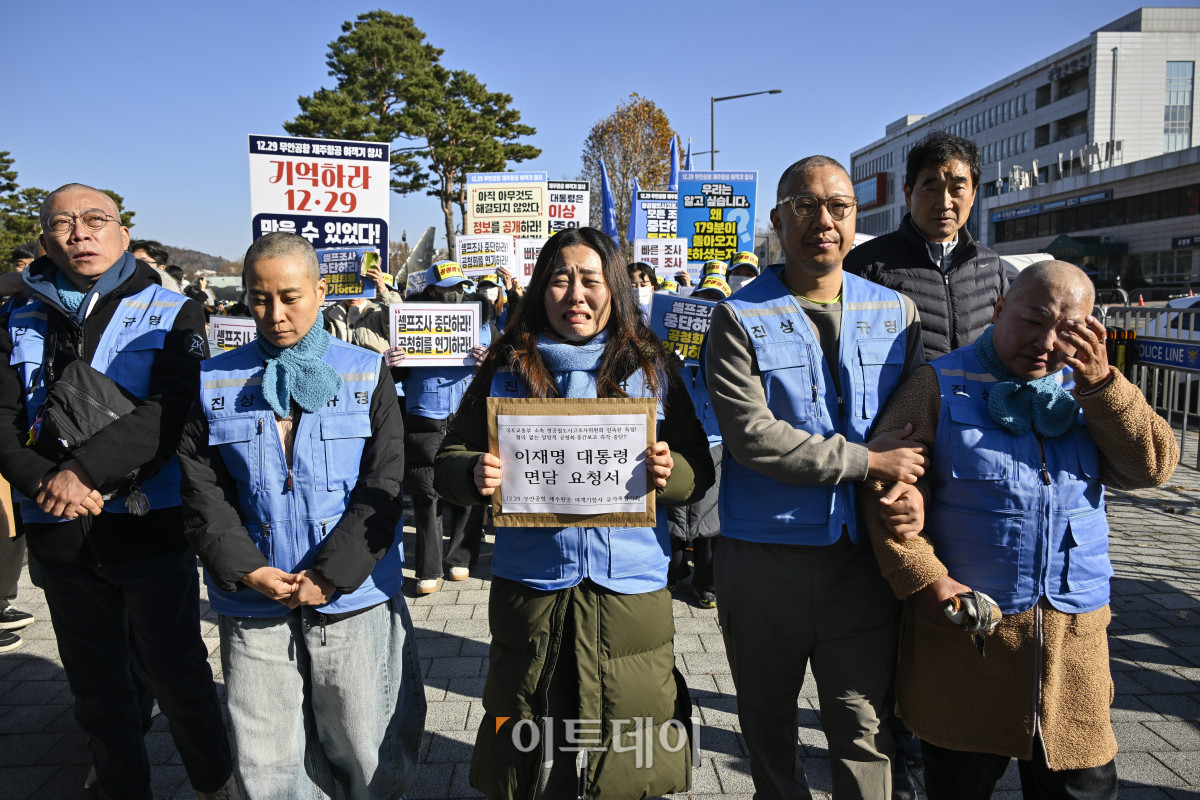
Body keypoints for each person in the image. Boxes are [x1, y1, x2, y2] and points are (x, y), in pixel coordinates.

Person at [861, 261, 1178, 800]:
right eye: (1032, 321)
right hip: (969, 639)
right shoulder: (938, 384)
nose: (1046, 343)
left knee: (1082, 786)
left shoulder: (1091, 389)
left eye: (1068, 330)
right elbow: (881, 491)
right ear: (999, 309)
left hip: (1072, 651)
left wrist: (1102, 385)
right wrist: (930, 581)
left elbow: (1152, 467)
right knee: (959, 784)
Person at [434, 226, 715, 799]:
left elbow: (698, 471)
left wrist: (671, 473)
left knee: (632, 739)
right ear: (541, 289)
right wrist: (472, 473)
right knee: (537, 733)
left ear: (615, 289)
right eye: (561, 280)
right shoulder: (507, 365)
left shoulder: (652, 368)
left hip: (628, 588)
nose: (576, 295)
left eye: (591, 280)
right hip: (532, 586)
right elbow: (447, 459)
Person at [0, 184, 236, 798]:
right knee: (96, 687)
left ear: (122, 234)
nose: (80, 233)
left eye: (95, 220)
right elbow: (1, 420)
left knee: (176, 671)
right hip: (58, 529)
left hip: (146, 523)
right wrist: (43, 482)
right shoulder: (15, 313)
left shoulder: (171, 308)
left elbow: (172, 409)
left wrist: (81, 472)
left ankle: (214, 779)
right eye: (63, 222)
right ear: (45, 237)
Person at [704, 156, 926, 800]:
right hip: (762, 557)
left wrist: (909, 493)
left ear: (857, 219)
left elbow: (916, 429)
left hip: (861, 559)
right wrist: (867, 463)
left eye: (839, 207)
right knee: (768, 724)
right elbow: (751, 437)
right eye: (804, 206)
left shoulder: (897, 314)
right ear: (777, 219)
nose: (822, 221)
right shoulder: (737, 318)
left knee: (864, 728)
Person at [177, 232, 426, 800]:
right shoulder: (218, 379)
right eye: (259, 298)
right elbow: (203, 490)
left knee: (365, 746)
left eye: (290, 297)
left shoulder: (365, 372)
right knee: (267, 758)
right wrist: (246, 569)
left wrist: (331, 575)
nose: (275, 314)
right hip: (254, 597)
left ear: (319, 291)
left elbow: (383, 482)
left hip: (352, 596)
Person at [845, 131, 1006, 362]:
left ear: (973, 194)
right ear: (909, 195)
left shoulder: (991, 265)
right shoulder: (866, 264)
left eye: (957, 189)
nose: (944, 203)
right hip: (902, 398)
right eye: (932, 188)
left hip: (979, 398)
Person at [389, 261, 490, 594]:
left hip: (468, 414)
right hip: (425, 412)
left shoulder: (484, 325)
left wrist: (487, 364)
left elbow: (502, 373)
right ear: (431, 290)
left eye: (460, 287)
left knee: (467, 483)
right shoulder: (408, 324)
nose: (455, 294)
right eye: (448, 288)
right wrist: (391, 365)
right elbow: (396, 377)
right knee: (425, 490)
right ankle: (427, 568)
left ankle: (460, 557)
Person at [667, 273, 732, 608]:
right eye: (703, 299)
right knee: (675, 512)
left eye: (715, 301)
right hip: (676, 440)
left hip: (716, 439)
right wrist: (666, 363)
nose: (708, 306)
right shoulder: (670, 350)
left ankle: (706, 583)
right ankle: (673, 573)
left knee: (709, 516)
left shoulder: (729, 344)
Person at [323, 264, 403, 353]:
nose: (354, 295)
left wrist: (382, 287)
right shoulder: (328, 315)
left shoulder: (378, 314)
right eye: (348, 287)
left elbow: (398, 317)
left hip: (374, 366)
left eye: (359, 288)